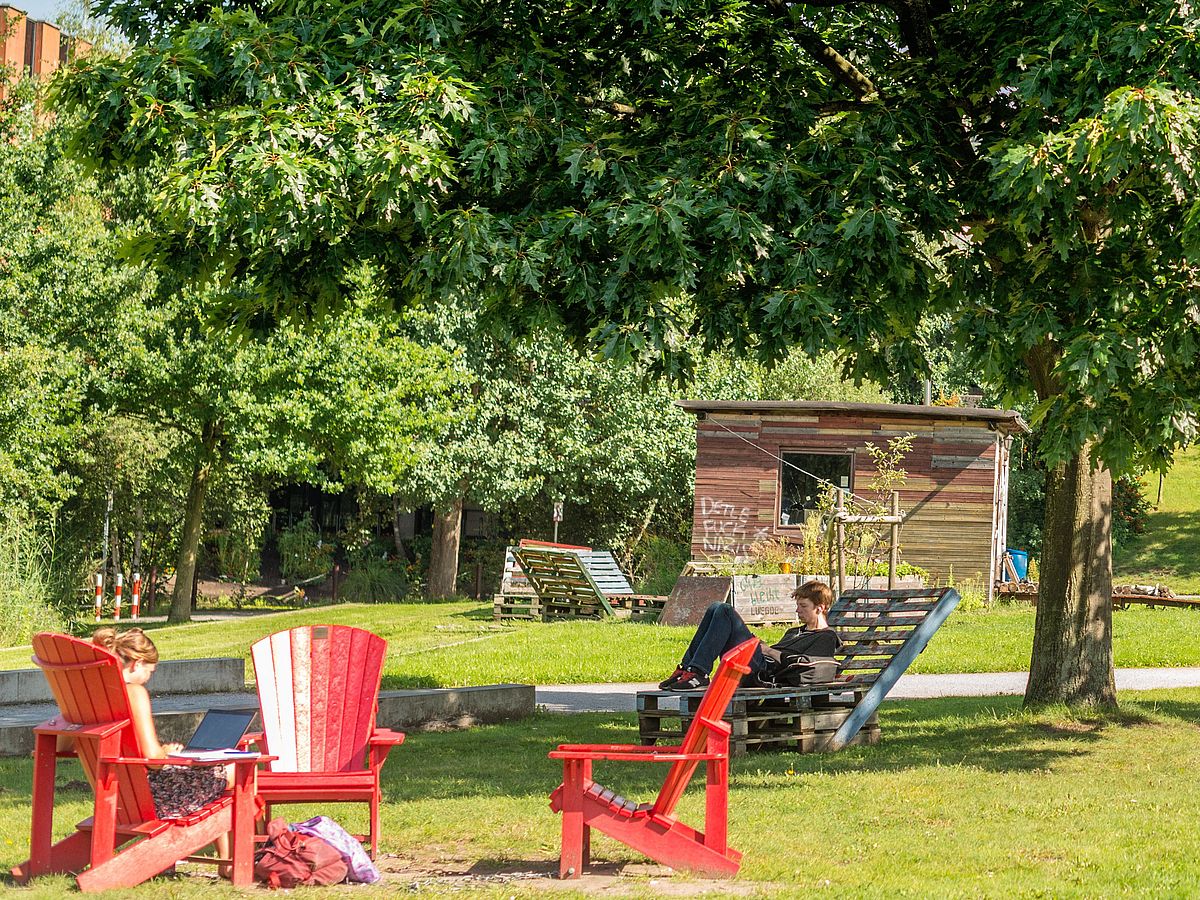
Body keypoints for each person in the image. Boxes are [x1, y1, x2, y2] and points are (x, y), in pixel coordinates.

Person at [90, 627, 234, 867]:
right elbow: (153, 759)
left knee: (218, 770)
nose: (148, 678)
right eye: (150, 671)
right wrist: (166, 752)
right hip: (150, 798)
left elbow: (66, 742)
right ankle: (234, 861)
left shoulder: (94, 695)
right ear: (137, 663)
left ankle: (228, 861)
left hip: (117, 793)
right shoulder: (134, 692)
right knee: (233, 770)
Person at [659, 580, 842, 691]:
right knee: (715, 608)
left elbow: (809, 665)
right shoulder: (794, 631)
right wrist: (760, 645)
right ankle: (688, 669)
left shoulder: (826, 637)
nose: (798, 610)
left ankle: (699, 673)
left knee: (724, 610)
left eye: (803, 606)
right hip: (759, 660)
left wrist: (768, 651)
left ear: (820, 608)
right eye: (797, 605)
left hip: (764, 672)